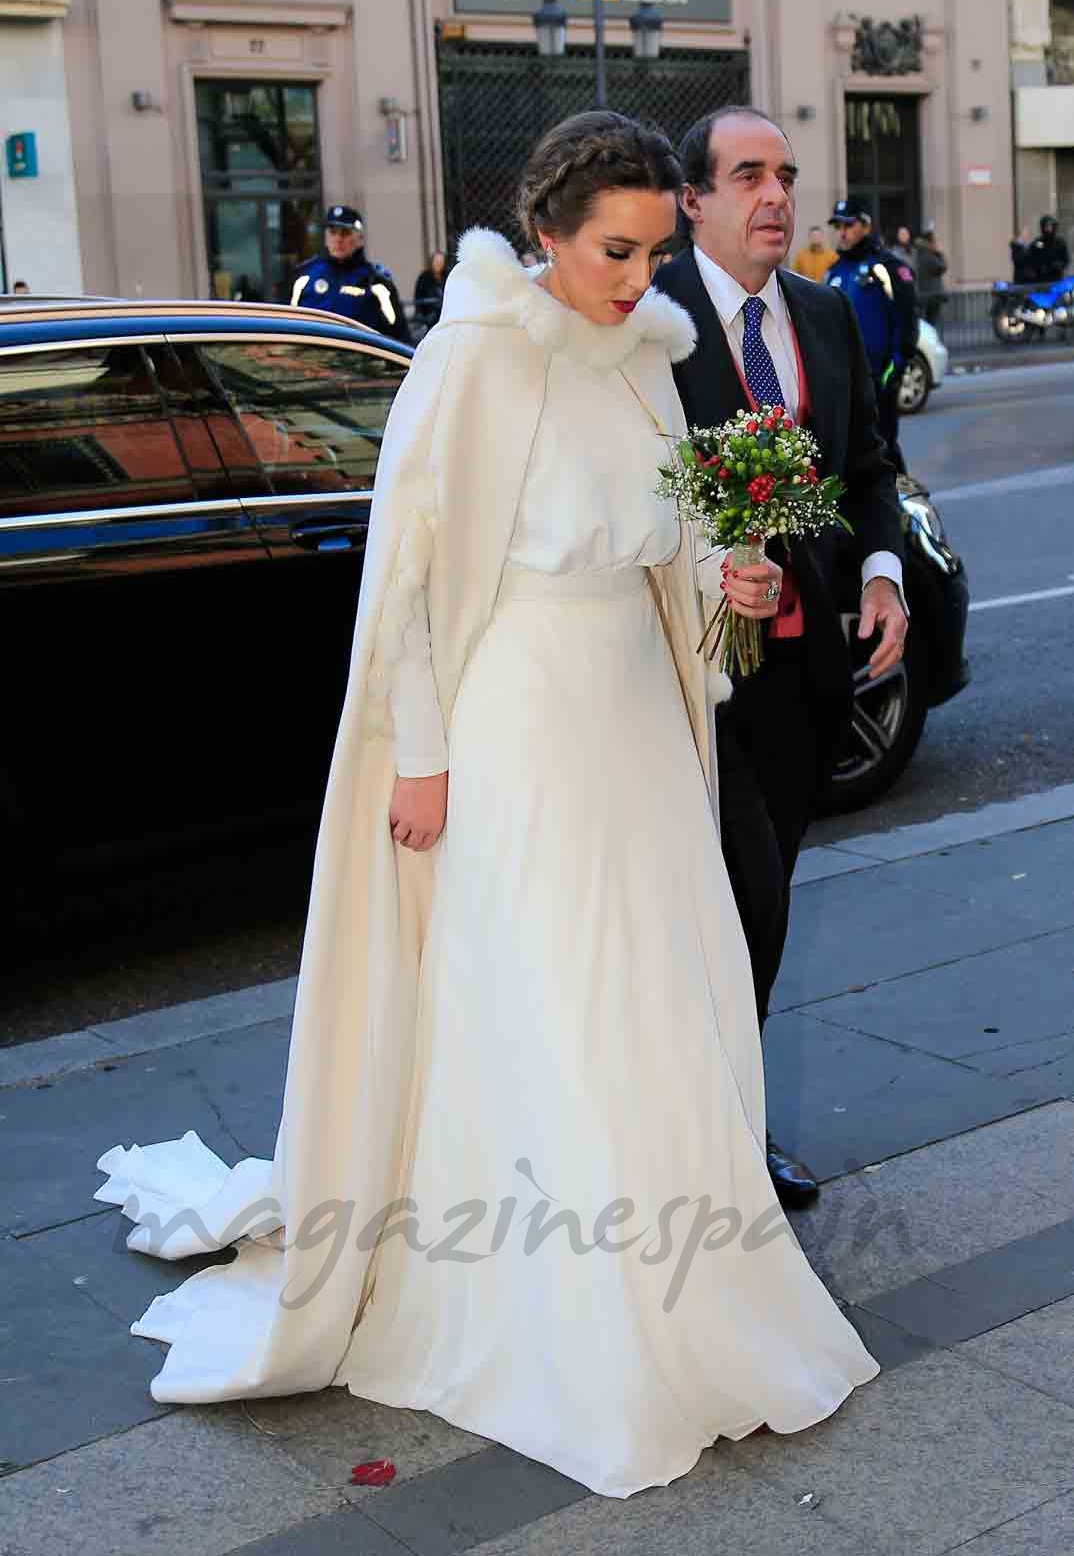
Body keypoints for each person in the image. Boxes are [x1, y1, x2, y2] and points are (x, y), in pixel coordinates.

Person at [93, 109, 878, 1499]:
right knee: (553, 994)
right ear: (547, 236)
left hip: (636, 716)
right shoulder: (465, 362)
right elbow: (407, 575)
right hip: (515, 718)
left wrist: (728, 580)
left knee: (653, 988)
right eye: (611, 250)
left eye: (649, 249)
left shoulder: (647, 358)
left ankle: (682, 1271)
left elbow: (667, 541)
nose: (635, 278)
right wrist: (420, 751)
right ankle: (561, 1304)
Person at [654, 107, 908, 1208]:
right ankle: (721, 1143)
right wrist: (710, 570)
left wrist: (884, 573)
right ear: (692, 200)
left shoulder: (825, 313)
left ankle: (718, 1129)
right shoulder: (647, 325)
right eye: (747, 174)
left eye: (786, 175)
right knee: (740, 906)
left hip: (809, 680)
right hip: (694, 687)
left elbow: (869, 467)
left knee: (766, 903)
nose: (775, 196)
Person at [825, 197, 918, 473]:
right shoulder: (834, 272)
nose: (842, 232)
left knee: (884, 451)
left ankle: (900, 512)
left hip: (878, 380)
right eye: (837, 226)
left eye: (848, 225)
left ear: (865, 225)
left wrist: (892, 372)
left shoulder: (887, 268)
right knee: (851, 457)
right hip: (844, 384)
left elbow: (906, 323)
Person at [291, 204, 412, 344]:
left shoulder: (376, 283)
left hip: (359, 363)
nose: (338, 239)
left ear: (360, 239)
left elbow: (398, 338)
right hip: (312, 362)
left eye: (345, 233)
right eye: (333, 232)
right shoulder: (306, 277)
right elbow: (287, 326)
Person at [914, 228, 948, 332]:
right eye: (934, 241)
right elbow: (942, 267)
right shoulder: (927, 255)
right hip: (932, 295)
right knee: (931, 323)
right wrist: (939, 253)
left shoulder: (920, 253)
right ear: (929, 242)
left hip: (925, 294)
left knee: (928, 323)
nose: (936, 244)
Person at [1024, 215, 1070, 283]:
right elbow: (1030, 256)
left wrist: (1059, 265)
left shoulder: (1060, 243)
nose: (1048, 229)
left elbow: (1066, 260)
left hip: (1055, 277)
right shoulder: (1038, 243)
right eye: (1046, 226)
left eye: (1050, 226)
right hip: (1040, 278)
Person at [413, 248, 447, 332]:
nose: (439, 264)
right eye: (436, 262)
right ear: (432, 262)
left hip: (444, 313)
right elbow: (418, 297)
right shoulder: (424, 277)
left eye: (441, 262)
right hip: (429, 315)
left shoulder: (446, 275)